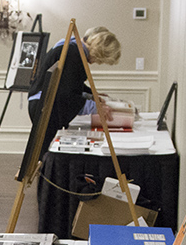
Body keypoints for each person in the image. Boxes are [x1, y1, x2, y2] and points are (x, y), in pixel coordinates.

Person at [27, 25, 121, 154]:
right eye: (100, 59)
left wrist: (91, 95)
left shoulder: (71, 45)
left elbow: (69, 83)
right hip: (45, 107)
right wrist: (95, 108)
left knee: (42, 153)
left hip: (40, 104)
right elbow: (66, 95)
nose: (96, 63)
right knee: (42, 155)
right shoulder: (73, 54)